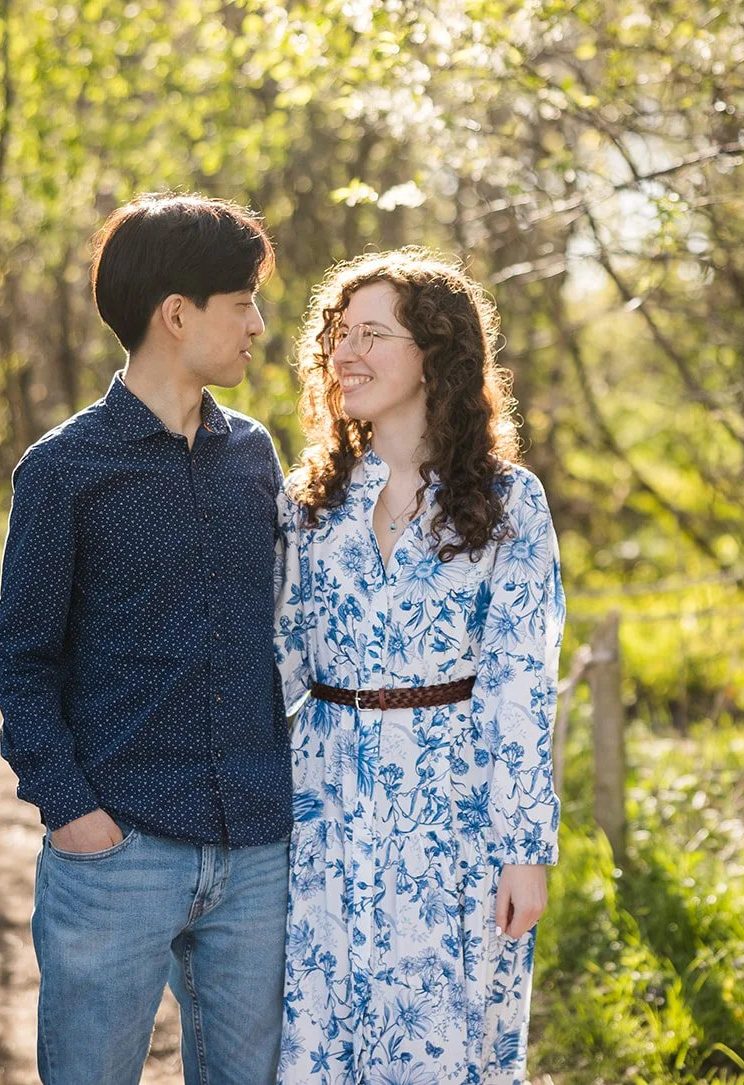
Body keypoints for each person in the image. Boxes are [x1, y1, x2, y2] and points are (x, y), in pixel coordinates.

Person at [0, 192, 291, 1085]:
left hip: (256, 850)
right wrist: (75, 814)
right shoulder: (62, 469)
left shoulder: (255, 456)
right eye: (243, 304)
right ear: (176, 314)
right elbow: (21, 654)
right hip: (116, 849)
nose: (259, 325)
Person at [274, 248, 565, 1084]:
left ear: (436, 352)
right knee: (319, 1052)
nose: (345, 351)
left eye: (373, 332)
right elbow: (276, 668)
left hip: (454, 819)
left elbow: (520, 688)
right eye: (337, 333)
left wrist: (524, 849)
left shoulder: (510, 502)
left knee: (441, 1051)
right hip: (323, 812)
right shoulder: (308, 503)